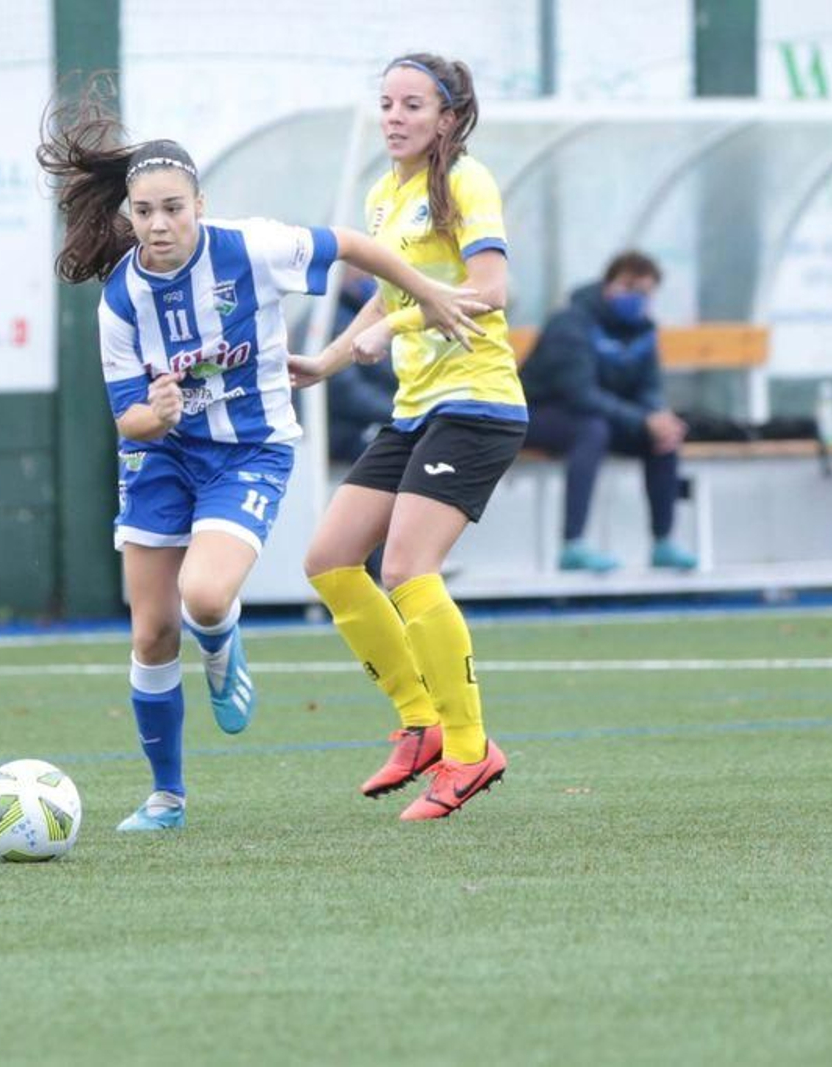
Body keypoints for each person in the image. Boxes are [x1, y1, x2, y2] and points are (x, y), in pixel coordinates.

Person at [37, 78, 487, 832]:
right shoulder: (120, 299)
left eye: (173, 208)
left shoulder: (252, 247)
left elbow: (354, 245)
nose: (157, 225)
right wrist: (159, 412)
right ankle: (166, 797)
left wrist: (427, 296)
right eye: (143, 212)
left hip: (248, 450)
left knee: (205, 597)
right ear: (128, 215)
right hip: (159, 460)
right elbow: (128, 421)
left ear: (199, 207)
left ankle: (223, 647)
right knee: (151, 630)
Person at [289, 53, 522, 820]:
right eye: (386, 102)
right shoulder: (385, 195)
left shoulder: (466, 181)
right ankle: (419, 720)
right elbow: (392, 294)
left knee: (408, 566)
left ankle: (468, 747)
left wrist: (394, 323)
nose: (394, 117)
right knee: (328, 560)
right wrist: (323, 360)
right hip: (418, 409)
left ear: (448, 117)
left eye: (413, 105)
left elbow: (489, 292)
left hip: (477, 403)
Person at [518, 250, 699, 573]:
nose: (636, 298)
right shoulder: (571, 323)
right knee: (593, 429)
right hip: (534, 415)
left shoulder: (644, 331)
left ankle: (663, 542)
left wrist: (656, 416)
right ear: (608, 284)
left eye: (644, 292)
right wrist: (641, 419)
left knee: (665, 435)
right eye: (629, 287)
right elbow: (579, 393)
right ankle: (572, 546)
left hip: (598, 415)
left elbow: (649, 387)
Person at [325, 270, 400, 465]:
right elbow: (347, 393)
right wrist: (399, 411)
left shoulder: (358, 305)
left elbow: (384, 368)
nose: (367, 274)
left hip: (375, 417)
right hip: (344, 429)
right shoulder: (330, 317)